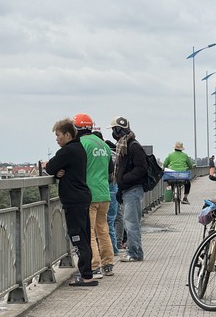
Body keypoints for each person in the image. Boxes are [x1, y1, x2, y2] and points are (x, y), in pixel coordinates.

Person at [44, 118, 97, 286]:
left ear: (67, 135)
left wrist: (58, 171)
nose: (56, 139)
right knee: (84, 236)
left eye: (58, 135)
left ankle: (86, 276)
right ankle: (87, 273)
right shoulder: (79, 148)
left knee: (77, 237)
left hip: (74, 200)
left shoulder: (67, 151)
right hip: (81, 198)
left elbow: (50, 167)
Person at [73, 114, 115, 278]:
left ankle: (94, 265)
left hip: (88, 194)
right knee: (103, 230)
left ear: (77, 129)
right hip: (104, 192)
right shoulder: (102, 144)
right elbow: (110, 169)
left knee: (88, 232)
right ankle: (108, 264)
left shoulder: (82, 144)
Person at [110, 116, 147, 262]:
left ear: (119, 130)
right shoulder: (124, 145)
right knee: (129, 222)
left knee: (131, 223)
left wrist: (124, 179)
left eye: (114, 130)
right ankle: (135, 251)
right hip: (127, 190)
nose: (113, 134)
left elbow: (141, 168)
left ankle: (135, 253)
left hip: (133, 189)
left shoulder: (133, 146)